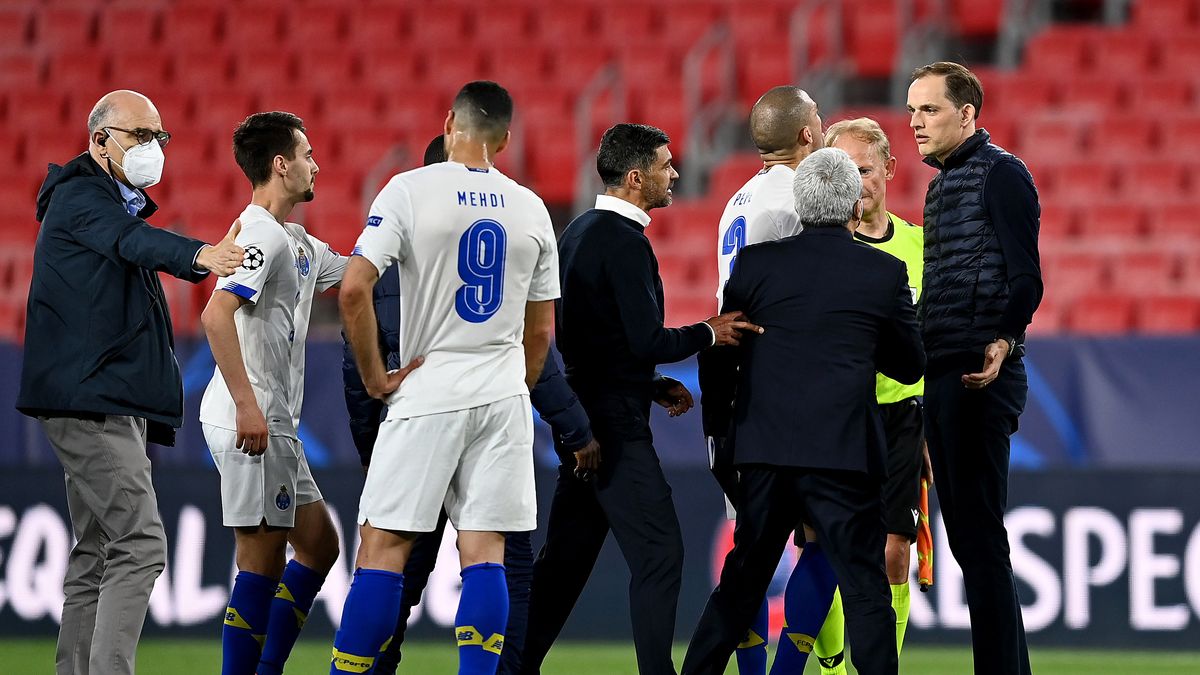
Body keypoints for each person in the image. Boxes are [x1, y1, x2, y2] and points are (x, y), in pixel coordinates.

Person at [341, 135, 598, 675]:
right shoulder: (513, 228)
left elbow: (355, 353)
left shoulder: (395, 245)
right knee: (502, 565)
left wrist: (374, 444)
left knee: (392, 565)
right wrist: (575, 428)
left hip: (415, 425)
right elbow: (537, 347)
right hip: (492, 417)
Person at [16, 89, 244, 675]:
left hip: (100, 397)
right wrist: (201, 256)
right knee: (140, 544)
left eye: (159, 137)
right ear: (98, 141)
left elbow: (129, 243)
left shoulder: (105, 203)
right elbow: (134, 243)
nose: (153, 148)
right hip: (90, 400)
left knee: (96, 551)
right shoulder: (81, 199)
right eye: (140, 136)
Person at [519, 123, 760, 675]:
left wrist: (649, 385)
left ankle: (515, 666)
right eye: (664, 165)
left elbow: (592, 343)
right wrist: (708, 332)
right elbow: (647, 340)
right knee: (660, 554)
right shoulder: (625, 244)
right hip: (614, 427)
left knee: (566, 563)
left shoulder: (577, 231)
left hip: (586, 417)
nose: (674, 173)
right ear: (635, 177)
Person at [684, 148, 925, 675]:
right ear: (854, 207)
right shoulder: (884, 273)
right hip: (843, 456)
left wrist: (722, 439)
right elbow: (910, 367)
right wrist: (864, 340)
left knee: (740, 584)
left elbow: (721, 351)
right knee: (865, 591)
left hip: (765, 452)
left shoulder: (754, 265)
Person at [198, 112, 354, 675]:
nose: (318, 164)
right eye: (308, 154)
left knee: (319, 547)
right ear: (281, 165)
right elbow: (216, 316)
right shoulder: (260, 232)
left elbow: (358, 270)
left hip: (275, 421)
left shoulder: (296, 241)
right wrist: (246, 403)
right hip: (251, 416)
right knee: (260, 564)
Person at [906, 61, 1042, 675]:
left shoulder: (1004, 175)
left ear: (967, 114)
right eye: (911, 110)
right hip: (943, 374)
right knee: (972, 539)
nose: (915, 122)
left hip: (979, 377)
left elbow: (1028, 279)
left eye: (929, 109)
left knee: (979, 537)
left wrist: (1005, 336)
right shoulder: (939, 188)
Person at [791, 117, 928, 675]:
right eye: (844, 171)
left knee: (894, 553)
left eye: (865, 169)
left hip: (900, 417)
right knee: (821, 547)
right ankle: (829, 657)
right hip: (834, 416)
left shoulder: (922, 247)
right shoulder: (813, 253)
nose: (856, 183)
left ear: (890, 170)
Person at [708, 86, 824, 675]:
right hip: (782, 392)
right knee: (824, 534)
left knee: (751, 548)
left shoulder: (736, 200)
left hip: (731, 389)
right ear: (808, 134)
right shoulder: (799, 199)